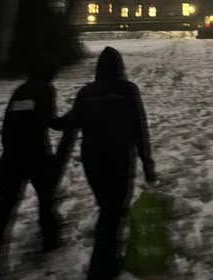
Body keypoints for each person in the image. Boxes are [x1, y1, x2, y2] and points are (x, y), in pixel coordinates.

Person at [60, 46, 156, 280]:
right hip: (119, 156)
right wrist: (146, 162)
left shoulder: (86, 92)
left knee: (108, 207)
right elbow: (138, 128)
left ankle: (108, 259)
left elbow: (71, 123)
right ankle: (101, 267)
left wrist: (47, 122)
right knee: (112, 211)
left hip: (92, 158)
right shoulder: (127, 90)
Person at [0, 63, 66, 280]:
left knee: (3, 212)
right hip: (36, 155)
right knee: (46, 199)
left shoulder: (20, 90)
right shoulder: (45, 90)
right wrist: (73, 119)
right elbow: (51, 122)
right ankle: (49, 239)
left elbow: (8, 125)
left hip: (10, 158)